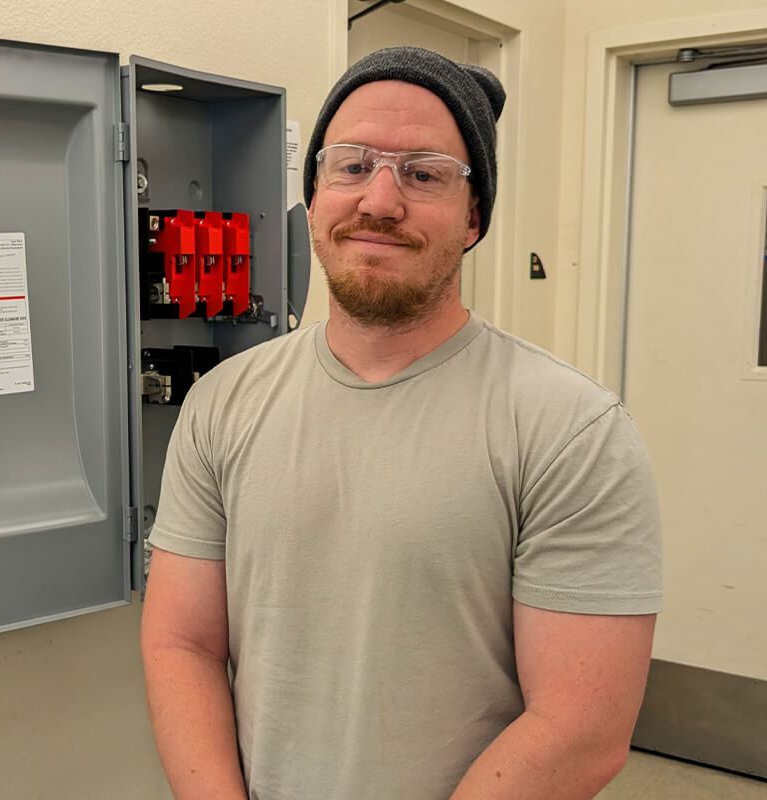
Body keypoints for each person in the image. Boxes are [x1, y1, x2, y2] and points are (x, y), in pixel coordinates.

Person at [141, 46, 662, 800]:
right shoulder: (223, 402)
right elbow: (181, 643)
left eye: (423, 173)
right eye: (351, 165)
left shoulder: (570, 430)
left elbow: (581, 732)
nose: (379, 201)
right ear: (314, 194)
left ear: (475, 214)